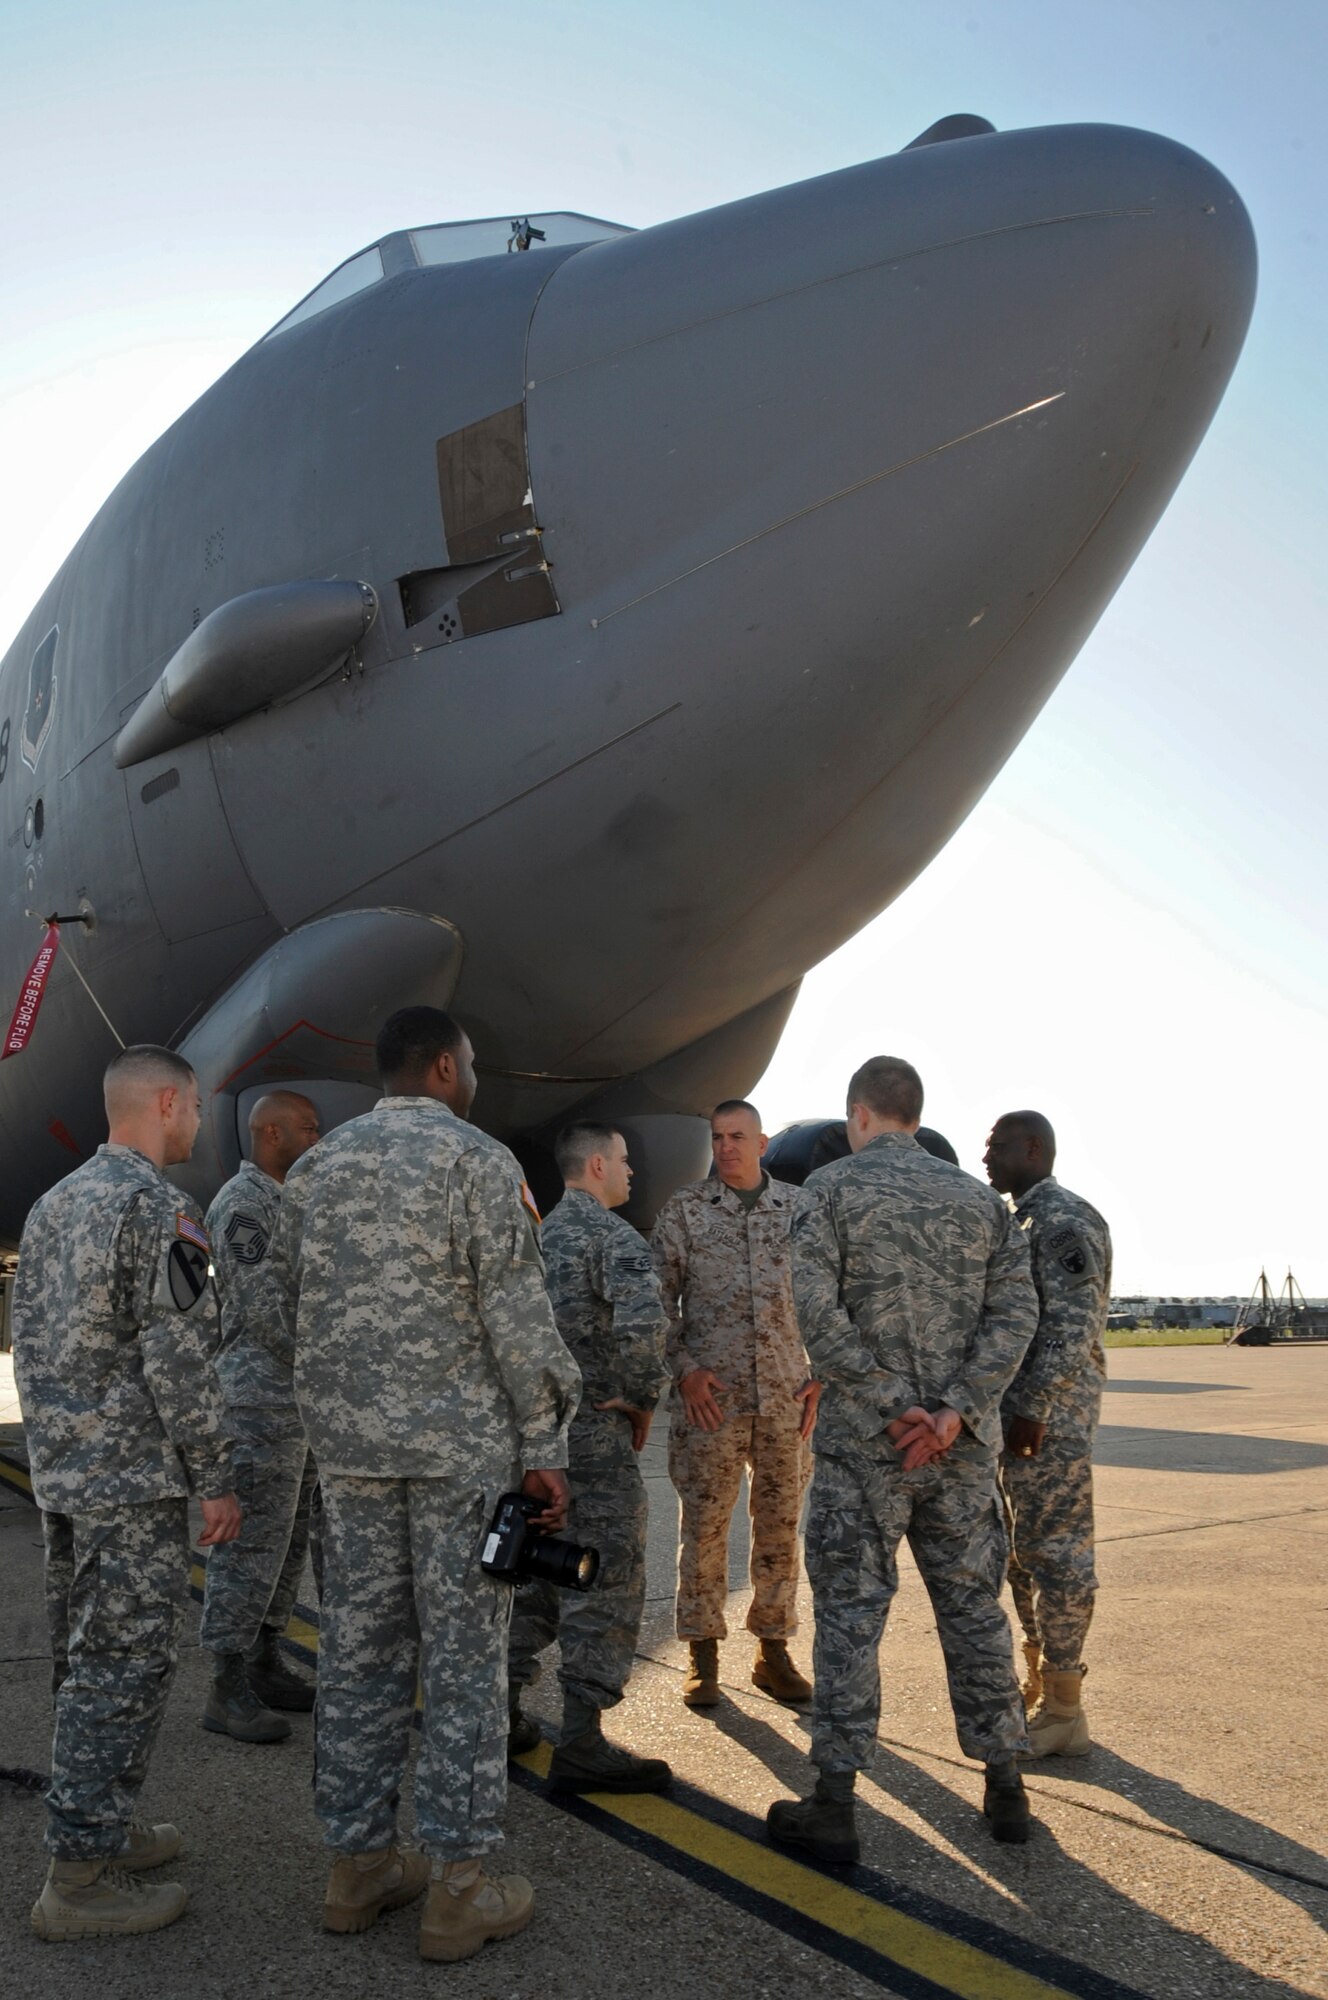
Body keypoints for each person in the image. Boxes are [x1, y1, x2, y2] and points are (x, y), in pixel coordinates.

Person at [270, 1006, 580, 1965]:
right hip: (459, 1463)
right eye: (474, 1061)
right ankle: (459, 1889)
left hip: (353, 1460)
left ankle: (356, 1867)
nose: (476, 1077)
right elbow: (520, 1322)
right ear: (444, 1067)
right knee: (461, 1665)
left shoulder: (314, 1173)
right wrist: (545, 1440)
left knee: (359, 1658)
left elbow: (283, 1313)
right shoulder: (480, 1166)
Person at [767, 1057, 1039, 1863]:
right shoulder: (982, 1203)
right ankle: (1006, 1787)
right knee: (973, 1610)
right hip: (956, 1455)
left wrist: (894, 1403)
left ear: (859, 1116)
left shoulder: (828, 1194)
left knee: (851, 1618)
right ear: (914, 1117)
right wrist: (954, 1411)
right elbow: (1015, 1315)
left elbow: (814, 1312)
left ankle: (836, 1803)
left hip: (864, 1449)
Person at [12, 1045, 241, 1941]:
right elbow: (179, 1358)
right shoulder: (161, 1209)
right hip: (132, 1482)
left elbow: (28, 1340)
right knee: (125, 1667)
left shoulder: (52, 1204)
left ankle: (98, 1827)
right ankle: (79, 1881)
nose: (195, 1123)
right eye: (193, 1107)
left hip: (67, 1476)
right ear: (167, 1100)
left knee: (85, 1663)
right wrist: (215, 1476)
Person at [508, 1123, 671, 1791]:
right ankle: (580, 1740)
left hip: (533, 1442)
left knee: (533, 1575)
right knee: (601, 1580)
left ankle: (500, 1711)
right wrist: (640, 1396)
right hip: (596, 1440)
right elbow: (643, 1326)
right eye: (627, 1161)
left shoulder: (534, 1241)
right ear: (599, 1164)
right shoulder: (615, 1240)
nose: (632, 1173)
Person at [652, 1100, 820, 1711]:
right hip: (711, 1406)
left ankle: (772, 1651)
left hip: (784, 1399)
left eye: (738, 1137)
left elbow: (832, 1298)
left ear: (762, 1141)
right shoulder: (685, 1212)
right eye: (718, 1138)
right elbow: (655, 1307)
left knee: (780, 1529)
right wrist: (686, 1371)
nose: (726, 1148)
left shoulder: (802, 1210)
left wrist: (821, 1373)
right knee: (704, 1529)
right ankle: (702, 1654)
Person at [983, 1110, 1112, 1756]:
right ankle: (1041, 1682)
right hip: (1021, 1418)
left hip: (1050, 1420)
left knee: (1057, 1557)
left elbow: (1071, 1324)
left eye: (996, 1146)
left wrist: (1031, 1406)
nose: (986, 1157)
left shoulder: (1062, 1220)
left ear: (1032, 1148)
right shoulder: (1024, 1218)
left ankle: (1065, 1709)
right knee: (1024, 1553)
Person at [199, 1091, 322, 1742]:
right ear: (270, 1134)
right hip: (258, 1398)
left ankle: (265, 1658)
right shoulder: (245, 1204)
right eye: (308, 1127)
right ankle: (226, 1683)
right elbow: (264, 1310)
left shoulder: (291, 1201)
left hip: (295, 1400)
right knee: (249, 1546)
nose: (318, 1136)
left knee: (287, 1540)